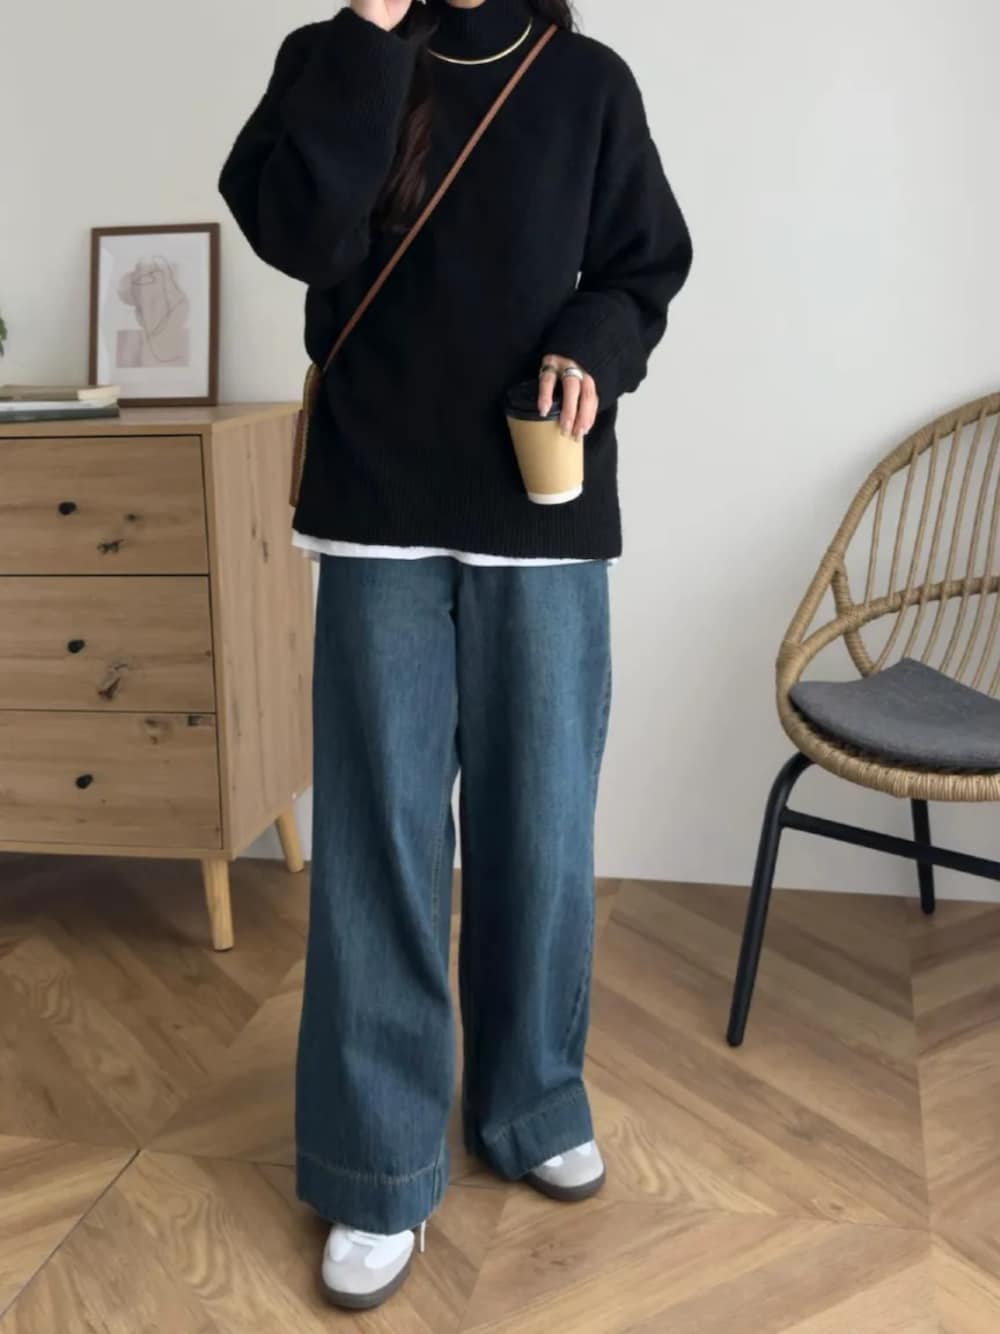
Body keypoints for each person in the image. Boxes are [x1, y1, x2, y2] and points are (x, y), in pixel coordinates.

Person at [220, 0, 691, 1310]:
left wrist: (594, 345)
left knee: (542, 824)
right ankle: (376, 1165)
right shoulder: (335, 60)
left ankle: (531, 1101)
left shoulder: (587, 82)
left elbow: (643, 266)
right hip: (376, 505)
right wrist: (370, 30)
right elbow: (299, 232)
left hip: (539, 505)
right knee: (379, 841)